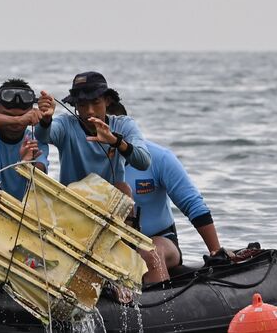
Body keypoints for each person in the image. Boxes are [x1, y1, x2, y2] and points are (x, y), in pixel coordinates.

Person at [105, 92, 225, 284]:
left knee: (149, 252)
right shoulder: (88, 164)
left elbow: (193, 205)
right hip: (107, 245)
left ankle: (164, 308)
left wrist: (216, 252)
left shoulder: (159, 157)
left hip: (160, 240)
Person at [34, 71, 150, 196]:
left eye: (96, 103)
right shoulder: (66, 124)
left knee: (124, 188)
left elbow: (144, 162)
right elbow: (43, 136)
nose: (90, 111)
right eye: (83, 104)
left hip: (111, 205)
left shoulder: (123, 125)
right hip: (72, 204)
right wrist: (46, 120)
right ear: (75, 105)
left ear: (107, 101)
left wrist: (115, 141)